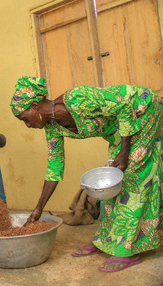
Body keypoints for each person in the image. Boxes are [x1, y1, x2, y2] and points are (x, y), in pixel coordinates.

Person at [11, 76, 163, 272]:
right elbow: (54, 167)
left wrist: (125, 151)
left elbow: (124, 106)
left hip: (141, 110)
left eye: (25, 118)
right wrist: (39, 208)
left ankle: (127, 250)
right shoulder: (52, 129)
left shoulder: (78, 98)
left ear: (35, 105)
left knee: (134, 177)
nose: (28, 125)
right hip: (121, 131)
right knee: (113, 182)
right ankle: (107, 240)